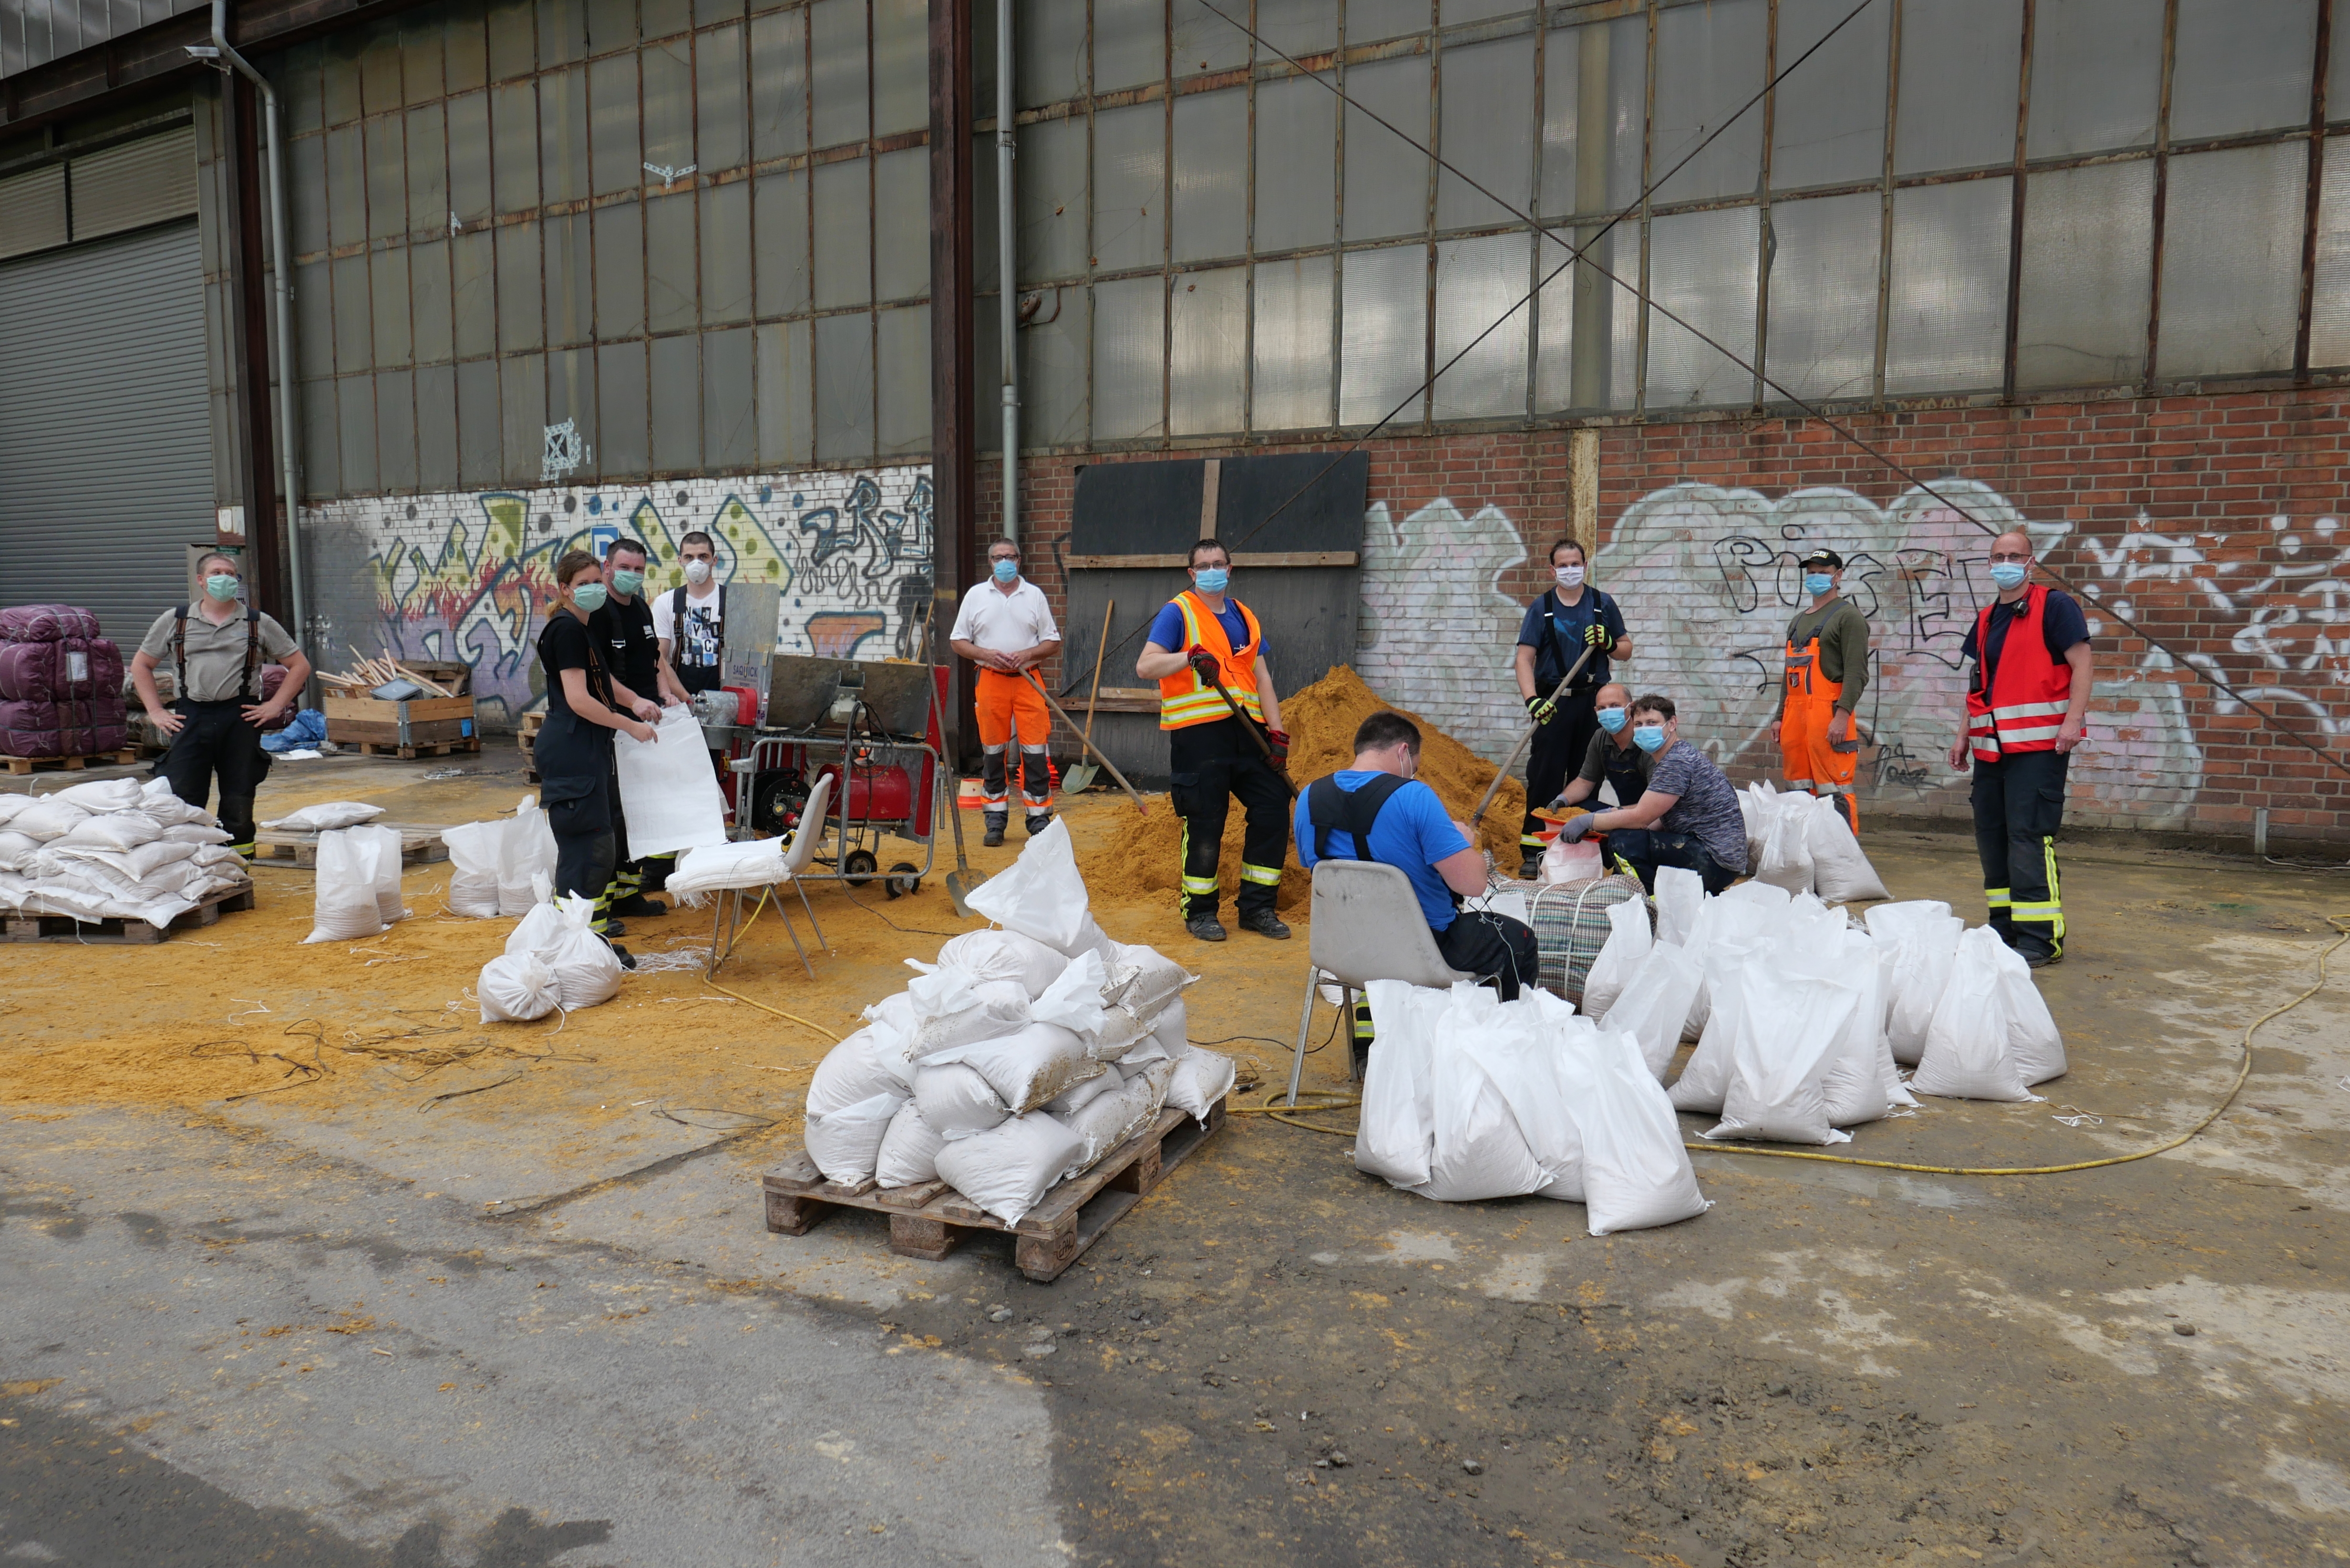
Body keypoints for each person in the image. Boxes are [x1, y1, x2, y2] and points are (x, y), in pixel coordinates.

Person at [1296, 711, 1540, 1060]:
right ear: (1403, 751)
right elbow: (1473, 884)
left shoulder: (1309, 797)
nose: (1416, 772)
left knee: (1382, 945)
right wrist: (1463, 840)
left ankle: (1371, 1048)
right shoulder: (1413, 796)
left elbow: (1323, 870)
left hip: (1346, 949)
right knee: (1518, 939)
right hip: (1424, 947)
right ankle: (1514, 1048)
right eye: (1417, 764)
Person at [1948, 529, 2092, 968]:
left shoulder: (2057, 607)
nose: (2004, 563)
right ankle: (2003, 928)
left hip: (2040, 747)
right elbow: (1980, 683)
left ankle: (2039, 939)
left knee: (2028, 838)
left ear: (2031, 562)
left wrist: (2073, 721)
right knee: (1992, 837)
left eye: (2014, 555)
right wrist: (1962, 734)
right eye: (1997, 556)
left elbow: (2083, 663)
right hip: (1992, 750)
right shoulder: (1989, 616)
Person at [1136, 539, 1292, 943]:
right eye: (1203, 565)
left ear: (1230, 568)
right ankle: (1201, 912)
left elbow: (1263, 679)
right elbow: (1146, 665)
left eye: (1218, 563)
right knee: (1206, 821)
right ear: (1191, 573)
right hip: (1200, 738)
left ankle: (1257, 908)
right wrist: (1189, 656)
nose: (1211, 570)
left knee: (1274, 807)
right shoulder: (1178, 612)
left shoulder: (1245, 616)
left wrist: (1276, 734)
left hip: (1249, 731)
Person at [130, 552, 314, 859]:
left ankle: (238, 866)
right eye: (218, 572)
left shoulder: (258, 623)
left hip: (240, 718)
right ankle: (190, 862)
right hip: (192, 715)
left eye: (231, 573)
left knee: (239, 798)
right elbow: (141, 666)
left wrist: (275, 706)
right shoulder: (176, 620)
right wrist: (156, 711)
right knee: (184, 797)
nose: (226, 578)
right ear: (201, 580)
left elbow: (299, 666)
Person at [536, 550, 659, 962]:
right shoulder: (566, 631)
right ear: (566, 589)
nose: (592, 589)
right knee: (585, 851)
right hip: (572, 749)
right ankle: (574, 948)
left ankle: (590, 941)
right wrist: (630, 725)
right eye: (583, 583)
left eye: (595, 581)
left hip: (588, 749)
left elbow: (602, 679)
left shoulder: (582, 627)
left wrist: (637, 700)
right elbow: (579, 699)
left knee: (601, 845)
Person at [1514, 539, 1631, 878]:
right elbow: (1524, 659)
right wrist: (1532, 699)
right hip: (1553, 702)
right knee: (1545, 777)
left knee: (1588, 777)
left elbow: (1625, 648)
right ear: (1552, 570)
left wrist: (1610, 643)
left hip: (1592, 702)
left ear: (1585, 565)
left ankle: (1578, 843)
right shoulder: (1542, 607)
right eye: (1562, 565)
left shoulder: (1601, 604)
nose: (1569, 570)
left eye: (1575, 563)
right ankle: (1534, 850)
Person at [1556, 694, 1749, 894]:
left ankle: (1650, 900)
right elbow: (1659, 820)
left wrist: (1586, 822)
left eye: (1652, 723)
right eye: (1638, 724)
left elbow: (1641, 818)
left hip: (1714, 861)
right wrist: (1611, 815)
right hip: (1715, 857)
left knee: (1624, 841)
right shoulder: (1675, 756)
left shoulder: (1676, 762)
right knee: (1629, 833)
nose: (1644, 729)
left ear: (1672, 724)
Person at [589, 536, 684, 915]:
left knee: (638, 812)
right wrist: (634, 704)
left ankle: (629, 892)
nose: (632, 576)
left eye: (639, 570)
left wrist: (664, 694)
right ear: (607, 568)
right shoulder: (598, 613)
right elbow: (597, 674)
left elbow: (656, 659)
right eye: (624, 568)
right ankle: (605, 901)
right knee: (613, 813)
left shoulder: (642, 609)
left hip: (644, 724)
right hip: (614, 726)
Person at [948, 537, 1062, 846]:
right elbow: (958, 641)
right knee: (993, 751)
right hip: (991, 679)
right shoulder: (976, 596)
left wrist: (1026, 655)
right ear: (991, 562)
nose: (1005, 562)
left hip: (1029, 680)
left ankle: (1038, 820)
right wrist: (985, 655)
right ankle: (995, 821)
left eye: (1011, 556)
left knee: (1035, 751)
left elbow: (1052, 641)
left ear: (1020, 560)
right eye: (999, 557)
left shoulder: (1035, 596)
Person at [1776, 546, 1869, 835]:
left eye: (1824, 573)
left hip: (1828, 714)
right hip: (1795, 716)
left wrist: (1842, 716)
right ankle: (1804, 849)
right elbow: (1788, 674)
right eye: (1812, 573)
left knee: (1834, 788)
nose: (1816, 577)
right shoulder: (1798, 620)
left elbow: (1857, 673)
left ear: (1838, 576)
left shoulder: (1848, 617)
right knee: (1797, 790)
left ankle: (1843, 855)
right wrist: (1779, 716)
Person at [1541, 682, 1650, 818]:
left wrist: (1609, 816)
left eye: (1615, 706)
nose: (1608, 712)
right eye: (1602, 708)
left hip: (1655, 815)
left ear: (1631, 707)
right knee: (1579, 810)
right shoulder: (1601, 738)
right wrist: (1562, 800)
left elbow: (1656, 804)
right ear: (1596, 712)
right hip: (1624, 812)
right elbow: (1584, 783)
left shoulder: (1647, 742)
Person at [653, 529, 726, 697]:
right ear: (681, 561)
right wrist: (686, 699)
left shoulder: (733, 602)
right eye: (689, 558)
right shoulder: (666, 602)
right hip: (679, 699)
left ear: (714, 560)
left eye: (703, 557)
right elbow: (659, 658)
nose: (696, 563)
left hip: (725, 699)